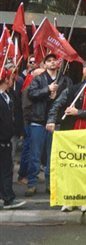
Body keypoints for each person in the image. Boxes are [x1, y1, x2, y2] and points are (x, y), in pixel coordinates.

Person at [47, 65, 86, 213]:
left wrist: (78, 112)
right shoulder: (73, 89)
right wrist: (51, 120)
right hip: (70, 133)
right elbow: (57, 104)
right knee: (70, 167)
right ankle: (69, 199)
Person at [26, 53, 72, 197]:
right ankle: (32, 183)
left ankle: (50, 184)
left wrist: (57, 95)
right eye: (49, 61)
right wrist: (47, 90)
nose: (52, 63)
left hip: (55, 122)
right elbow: (31, 94)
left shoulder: (65, 80)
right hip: (38, 122)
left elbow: (69, 97)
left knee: (52, 155)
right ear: (45, 64)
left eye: (54, 61)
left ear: (58, 63)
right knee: (35, 154)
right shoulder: (38, 79)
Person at [0, 72, 26, 210]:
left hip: (7, 140)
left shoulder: (7, 96)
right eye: (10, 78)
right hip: (1, 140)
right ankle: (7, 198)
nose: (12, 80)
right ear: (5, 80)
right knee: (4, 171)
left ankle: (7, 198)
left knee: (6, 171)